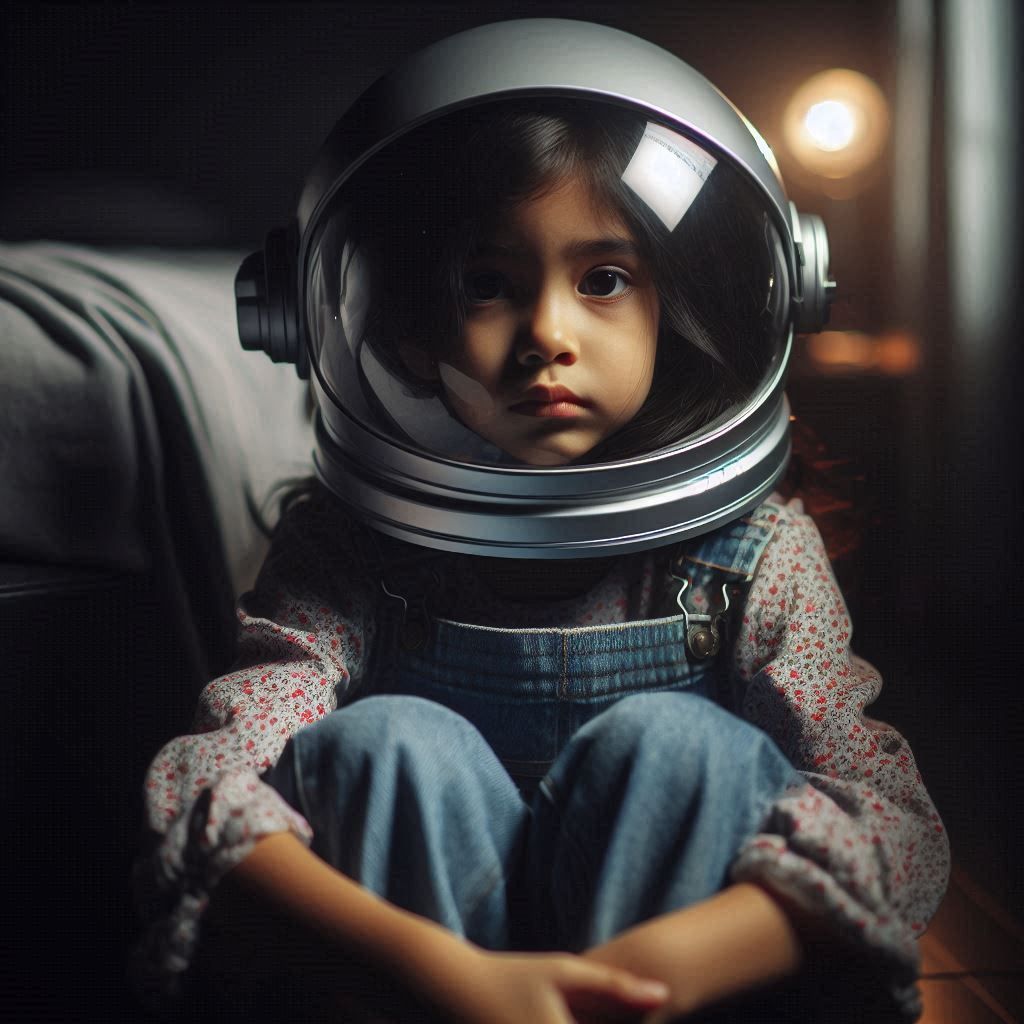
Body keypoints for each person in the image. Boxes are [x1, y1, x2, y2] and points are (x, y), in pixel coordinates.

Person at [133, 19, 950, 1024]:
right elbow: (205, 782)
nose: (547, 337)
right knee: (383, 743)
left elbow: (895, 828)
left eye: (602, 279)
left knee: (677, 745)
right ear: (410, 322)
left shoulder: (754, 553)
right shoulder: (352, 550)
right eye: (488, 285)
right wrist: (451, 976)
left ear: (677, 307)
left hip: (660, 985)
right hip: (431, 983)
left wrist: (658, 971)